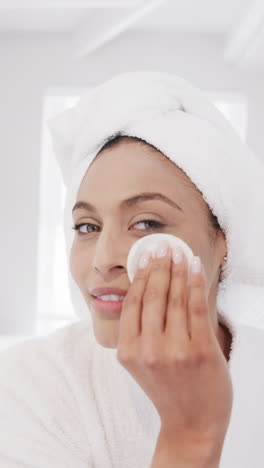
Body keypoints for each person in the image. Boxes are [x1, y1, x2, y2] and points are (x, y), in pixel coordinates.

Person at [0, 71, 263, 467]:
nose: (104, 258)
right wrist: (191, 432)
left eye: (146, 223)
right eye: (87, 227)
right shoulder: (29, 384)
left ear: (223, 240)